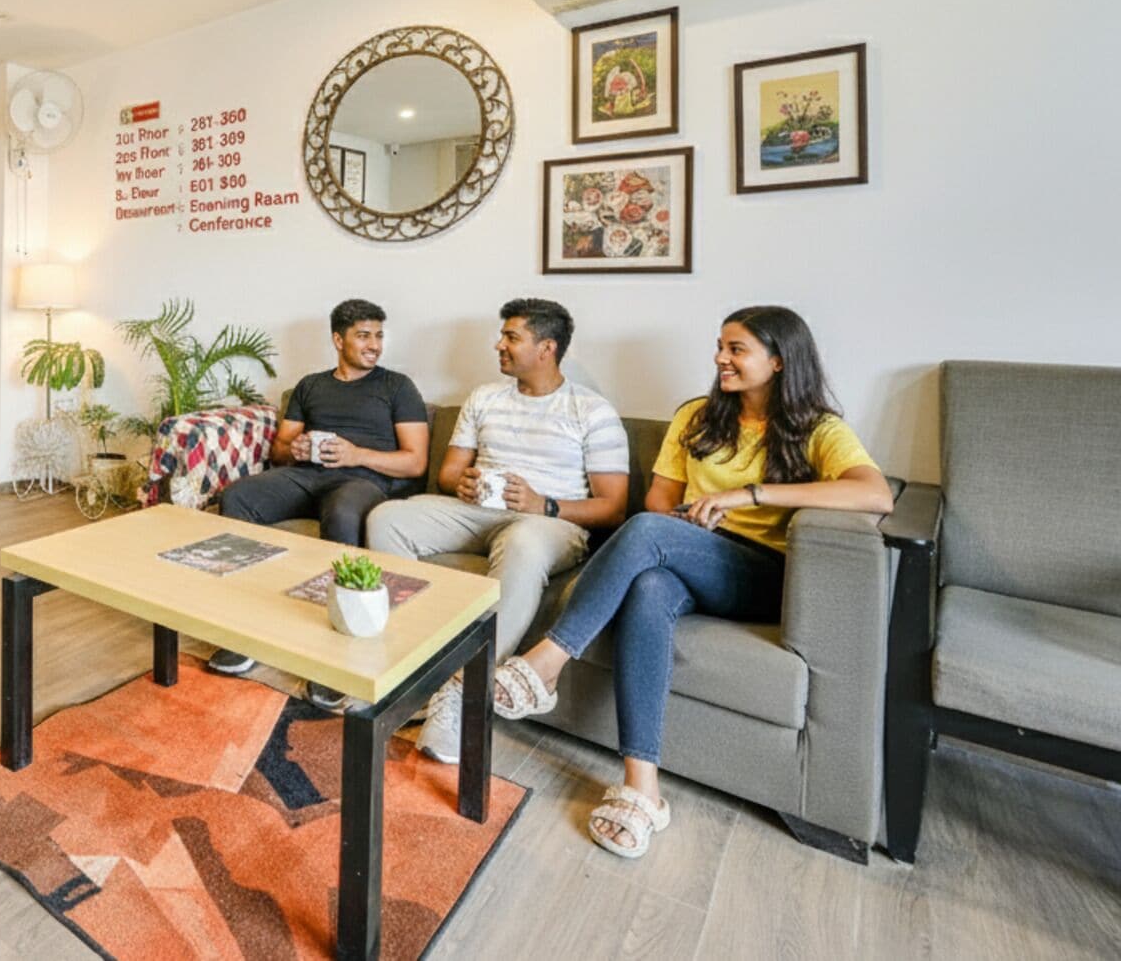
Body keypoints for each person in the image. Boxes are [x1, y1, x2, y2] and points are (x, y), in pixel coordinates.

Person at [489, 306, 891, 860]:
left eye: (736, 349)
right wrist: (687, 520)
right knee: (650, 587)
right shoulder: (697, 416)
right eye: (720, 346)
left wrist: (747, 496)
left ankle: (548, 661)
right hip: (686, 552)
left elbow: (875, 494)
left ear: (778, 361)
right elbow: (659, 499)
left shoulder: (819, 428)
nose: (720, 358)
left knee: (648, 533)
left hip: (761, 570)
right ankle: (641, 787)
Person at [362, 298, 628, 747]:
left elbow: (613, 507)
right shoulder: (484, 397)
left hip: (549, 522)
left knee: (523, 542)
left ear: (546, 348)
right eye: (502, 335)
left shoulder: (592, 412)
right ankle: (406, 662)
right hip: (476, 511)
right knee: (387, 518)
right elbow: (448, 472)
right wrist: (461, 483)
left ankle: (463, 696)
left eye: (511, 337)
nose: (498, 345)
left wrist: (543, 504)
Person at [206, 297, 429, 680]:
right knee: (237, 496)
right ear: (338, 341)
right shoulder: (309, 386)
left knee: (342, 514)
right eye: (363, 336)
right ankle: (243, 628)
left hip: (363, 480)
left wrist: (356, 454)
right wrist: (293, 449)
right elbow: (279, 450)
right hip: (306, 475)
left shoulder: (397, 386)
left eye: (378, 335)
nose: (374, 344)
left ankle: (336, 656)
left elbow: (415, 461)